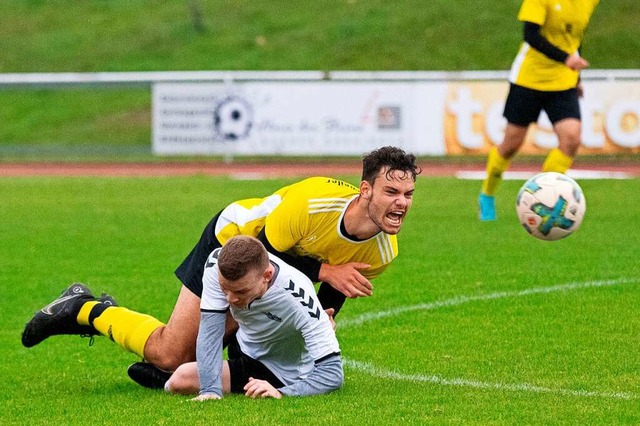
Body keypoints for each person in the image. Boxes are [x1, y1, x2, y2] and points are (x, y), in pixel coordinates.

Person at [21, 146, 420, 385]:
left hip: (266, 273)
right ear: (365, 189)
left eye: (408, 193)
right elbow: (260, 261)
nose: (401, 202)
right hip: (233, 244)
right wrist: (324, 271)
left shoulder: (384, 252)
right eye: (391, 191)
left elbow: (324, 300)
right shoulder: (311, 201)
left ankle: (184, 372)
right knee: (168, 352)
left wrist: (322, 318)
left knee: (260, 337)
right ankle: (85, 309)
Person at [164, 235, 343, 399]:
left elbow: (332, 373)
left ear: (267, 275)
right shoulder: (216, 264)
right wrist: (210, 390)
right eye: (224, 288)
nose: (230, 299)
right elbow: (211, 332)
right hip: (244, 350)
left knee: (181, 378)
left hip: (283, 372)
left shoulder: (299, 299)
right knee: (177, 381)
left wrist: (281, 392)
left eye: (241, 291)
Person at [478, 0, 600, 221]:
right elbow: (530, 35)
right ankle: (487, 194)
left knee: (571, 138)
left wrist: (576, 76)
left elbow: (574, 36)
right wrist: (566, 59)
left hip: (563, 80)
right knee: (511, 145)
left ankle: (545, 196)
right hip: (528, 79)